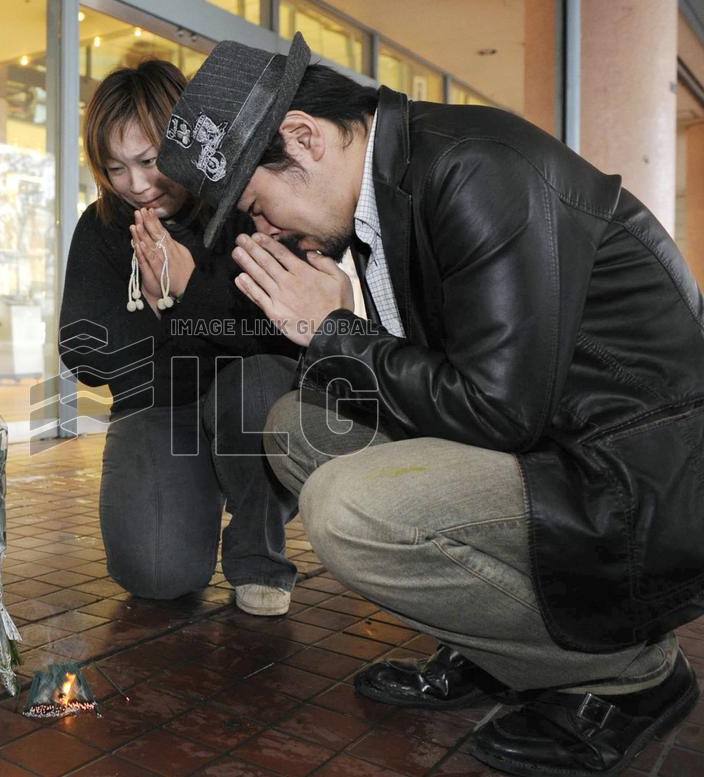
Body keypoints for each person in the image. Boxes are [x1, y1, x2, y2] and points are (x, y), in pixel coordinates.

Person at [157, 34, 704, 777]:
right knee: (298, 428)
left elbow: (500, 410)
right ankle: (494, 647)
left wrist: (334, 330)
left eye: (257, 204)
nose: (268, 229)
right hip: (561, 446)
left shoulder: (475, 169)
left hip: (639, 483)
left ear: (306, 137)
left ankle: (631, 672)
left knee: (347, 509)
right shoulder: (400, 178)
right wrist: (332, 331)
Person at [59, 60, 301, 616]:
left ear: (186, 139)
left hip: (242, 399)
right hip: (157, 406)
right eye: (116, 168)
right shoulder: (100, 227)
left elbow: (280, 341)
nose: (137, 185)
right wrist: (187, 325)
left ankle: (258, 553)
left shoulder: (246, 210)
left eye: (149, 161)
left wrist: (184, 296)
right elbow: (85, 353)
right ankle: (194, 491)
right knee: (159, 575)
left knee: (259, 387)